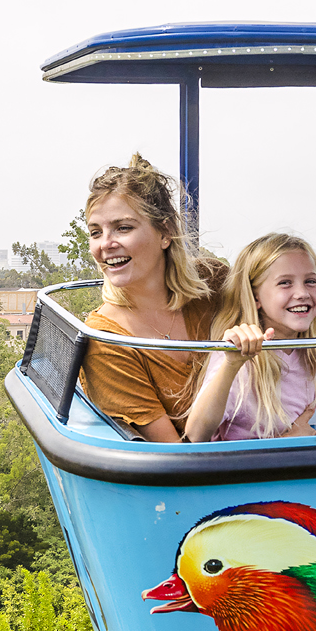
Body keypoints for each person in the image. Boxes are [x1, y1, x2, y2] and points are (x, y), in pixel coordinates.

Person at [79, 154, 225, 442]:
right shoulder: (107, 341)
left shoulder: (214, 284)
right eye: (96, 232)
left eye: (123, 228)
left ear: (165, 233)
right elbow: (173, 454)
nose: (106, 244)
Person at [184, 233, 316, 442]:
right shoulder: (241, 359)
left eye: (310, 281)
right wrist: (231, 365)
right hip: (250, 463)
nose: (302, 293)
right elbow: (195, 435)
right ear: (255, 297)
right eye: (285, 283)